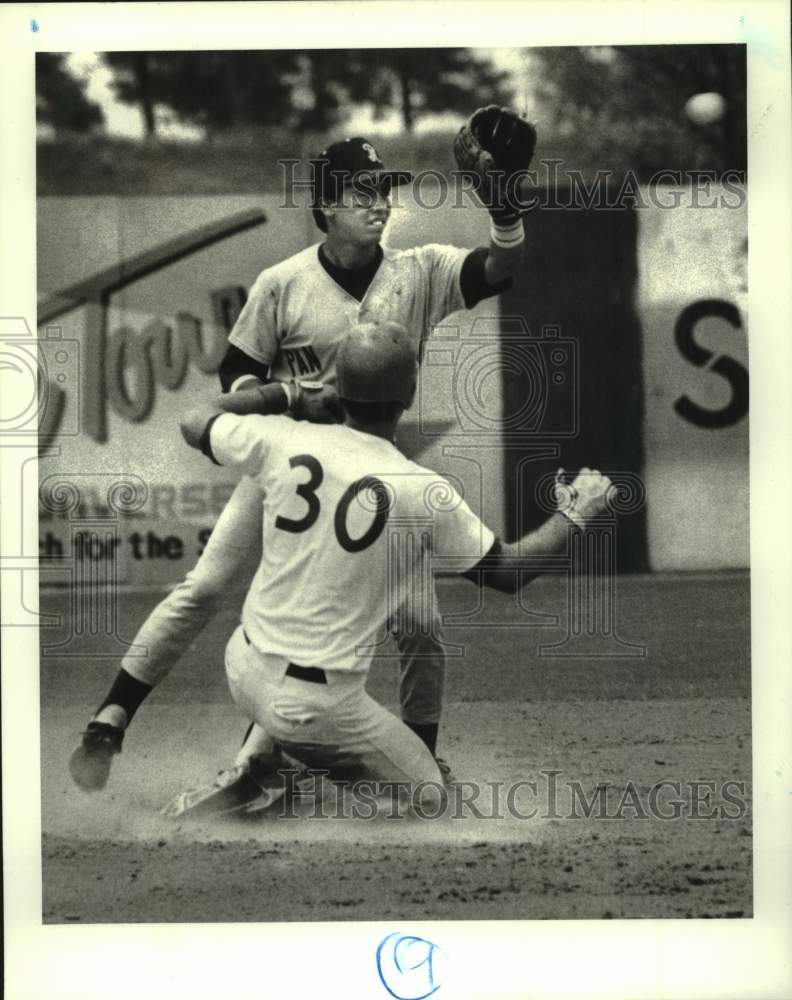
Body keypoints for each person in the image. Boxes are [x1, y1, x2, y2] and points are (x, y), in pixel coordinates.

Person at [68, 121, 534, 801]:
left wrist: (504, 208)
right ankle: (112, 716)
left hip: (375, 481)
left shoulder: (422, 271)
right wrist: (291, 398)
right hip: (292, 470)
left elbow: (502, 267)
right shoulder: (283, 283)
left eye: (385, 190)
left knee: (423, 627)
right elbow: (231, 393)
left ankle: (414, 767)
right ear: (325, 208)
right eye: (362, 192)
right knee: (203, 587)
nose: (379, 202)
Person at [163, 321, 613, 815]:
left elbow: (193, 418)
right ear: (410, 392)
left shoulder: (285, 441)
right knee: (433, 801)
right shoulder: (420, 488)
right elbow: (507, 572)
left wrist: (285, 393)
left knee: (302, 626)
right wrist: (577, 513)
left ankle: (258, 767)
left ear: (339, 387)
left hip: (242, 669)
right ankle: (290, 798)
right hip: (315, 710)